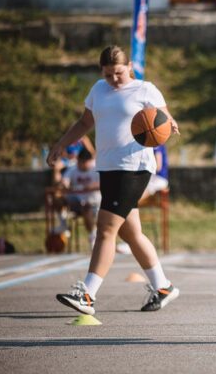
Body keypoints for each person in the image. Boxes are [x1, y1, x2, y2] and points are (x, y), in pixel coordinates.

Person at [47, 45, 180, 315]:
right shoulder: (98, 90)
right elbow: (84, 123)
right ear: (102, 72)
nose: (114, 79)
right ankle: (163, 286)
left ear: (129, 66)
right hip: (108, 168)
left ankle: (87, 293)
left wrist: (169, 125)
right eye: (108, 75)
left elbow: (164, 120)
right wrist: (61, 144)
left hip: (135, 168)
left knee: (106, 228)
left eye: (118, 73)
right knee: (131, 233)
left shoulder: (145, 90)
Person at [115, 145, 170, 255]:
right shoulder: (141, 141)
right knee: (124, 202)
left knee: (129, 202)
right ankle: (129, 240)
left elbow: (157, 166)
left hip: (157, 179)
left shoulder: (155, 141)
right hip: (148, 178)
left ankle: (131, 241)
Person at [59, 148, 101, 248]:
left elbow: (104, 183)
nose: (81, 164)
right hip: (76, 200)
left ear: (89, 161)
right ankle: (63, 224)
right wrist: (64, 184)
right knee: (58, 199)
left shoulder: (97, 168)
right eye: (79, 161)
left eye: (83, 162)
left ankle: (92, 235)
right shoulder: (73, 169)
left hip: (94, 202)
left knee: (87, 208)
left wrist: (90, 186)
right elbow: (64, 180)